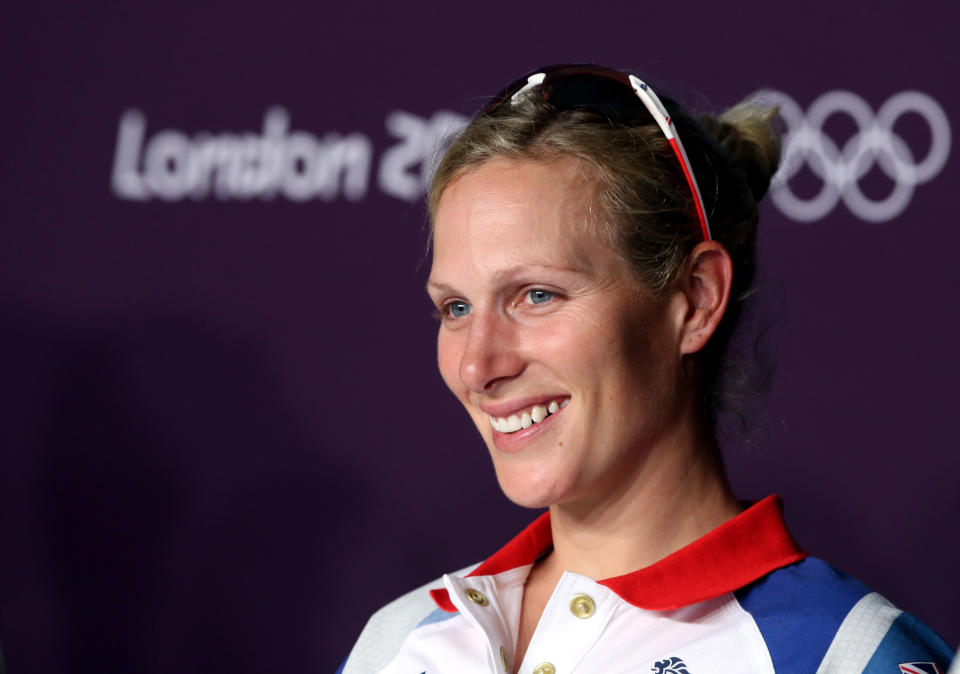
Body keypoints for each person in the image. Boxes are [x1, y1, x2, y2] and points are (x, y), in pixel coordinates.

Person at [338, 64, 954, 674]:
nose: (477, 364)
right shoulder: (398, 641)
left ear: (695, 299)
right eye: (456, 307)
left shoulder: (847, 656)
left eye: (537, 295)